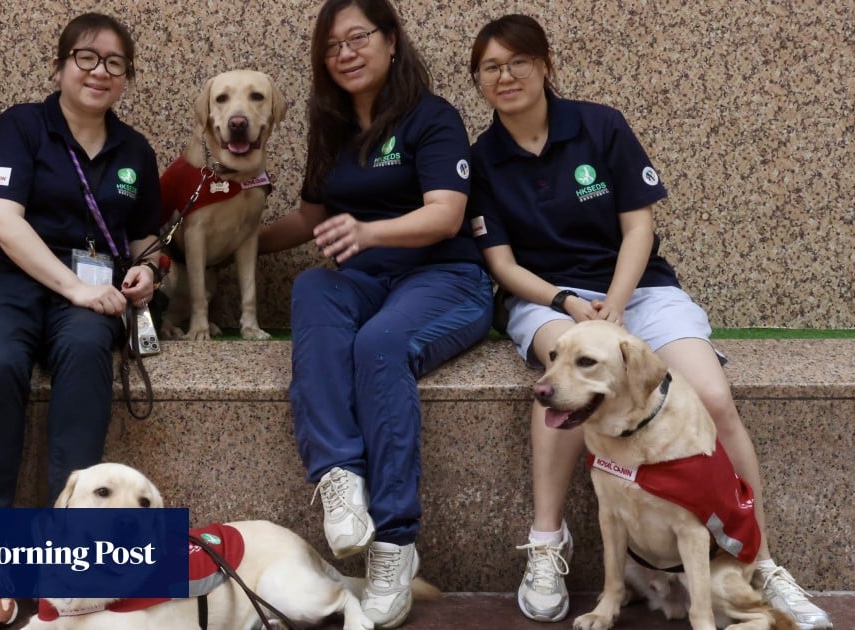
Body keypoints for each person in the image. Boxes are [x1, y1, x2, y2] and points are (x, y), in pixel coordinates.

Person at [466, 14, 833, 629]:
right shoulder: (482, 158)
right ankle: (547, 545)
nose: (506, 76)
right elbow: (501, 263)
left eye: (517, 62)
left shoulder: (601, 126)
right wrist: (567, 304)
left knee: (713, 396)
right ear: (478, 81)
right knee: (560, 391)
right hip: (551, 301)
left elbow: (639, 226)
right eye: (490, 68)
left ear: (546, 64)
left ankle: (760, 561)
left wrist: (615, 301)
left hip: (638, 291)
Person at [259, 0, 492, 626]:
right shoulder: (332, 128)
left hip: (447, 278)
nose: (346, 54)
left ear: (391, 41)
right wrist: (223, 245)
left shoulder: (432, 118)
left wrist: (368, 233)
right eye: (332, 46)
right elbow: (312, 216)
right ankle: (339, 476)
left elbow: (445, 213)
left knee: (379, 345)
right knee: (312, 287)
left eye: (358, 37)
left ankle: (394, 541)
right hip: (365, 281)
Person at [0, 12, 161, 628]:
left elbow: (147, 235)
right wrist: (73, 285)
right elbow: (0, 219)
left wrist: (148, 271)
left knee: (83, 356)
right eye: (86, 57)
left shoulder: (135, 149)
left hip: (95, 295)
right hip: (16, 284)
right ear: (59, 66)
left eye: (115, 63)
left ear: (126, 78)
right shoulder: (21, 125)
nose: (100, 71)